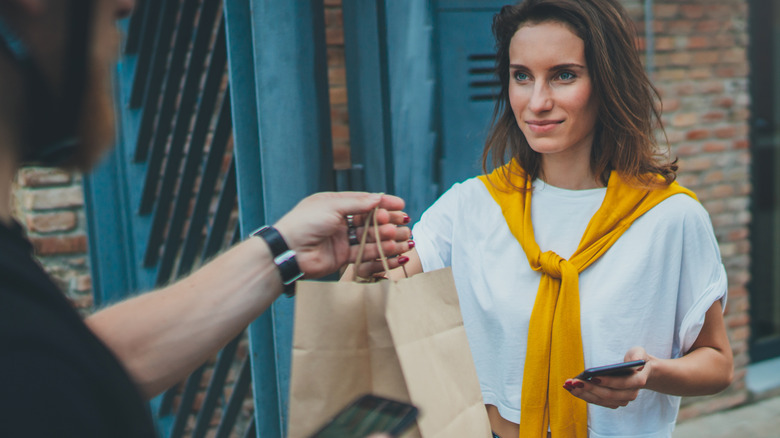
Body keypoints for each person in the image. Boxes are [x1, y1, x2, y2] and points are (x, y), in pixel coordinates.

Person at [0, 0, 412, 437]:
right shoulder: (24, 359)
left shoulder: (30, 343)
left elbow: (89, 362)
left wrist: (283, 249)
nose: (125, 5)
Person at [353, 0, 733, 437]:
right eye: (522, 76)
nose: (537, 102)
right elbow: (382, 290)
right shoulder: (473, 206)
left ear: (607, 82)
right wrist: (361, 248)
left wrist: (654, 373)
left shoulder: (671, 217)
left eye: (563, 75)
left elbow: (718, 363)